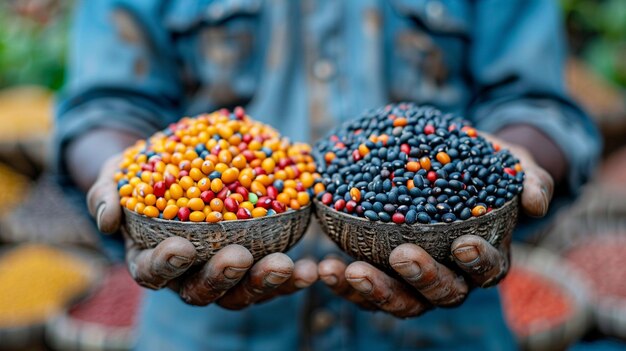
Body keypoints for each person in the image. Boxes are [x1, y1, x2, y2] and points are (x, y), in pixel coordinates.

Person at [55, 0, 600, 350]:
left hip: (450, 334)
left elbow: (535, 103)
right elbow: (107, 107)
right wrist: (117, 169)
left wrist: (513, 160)